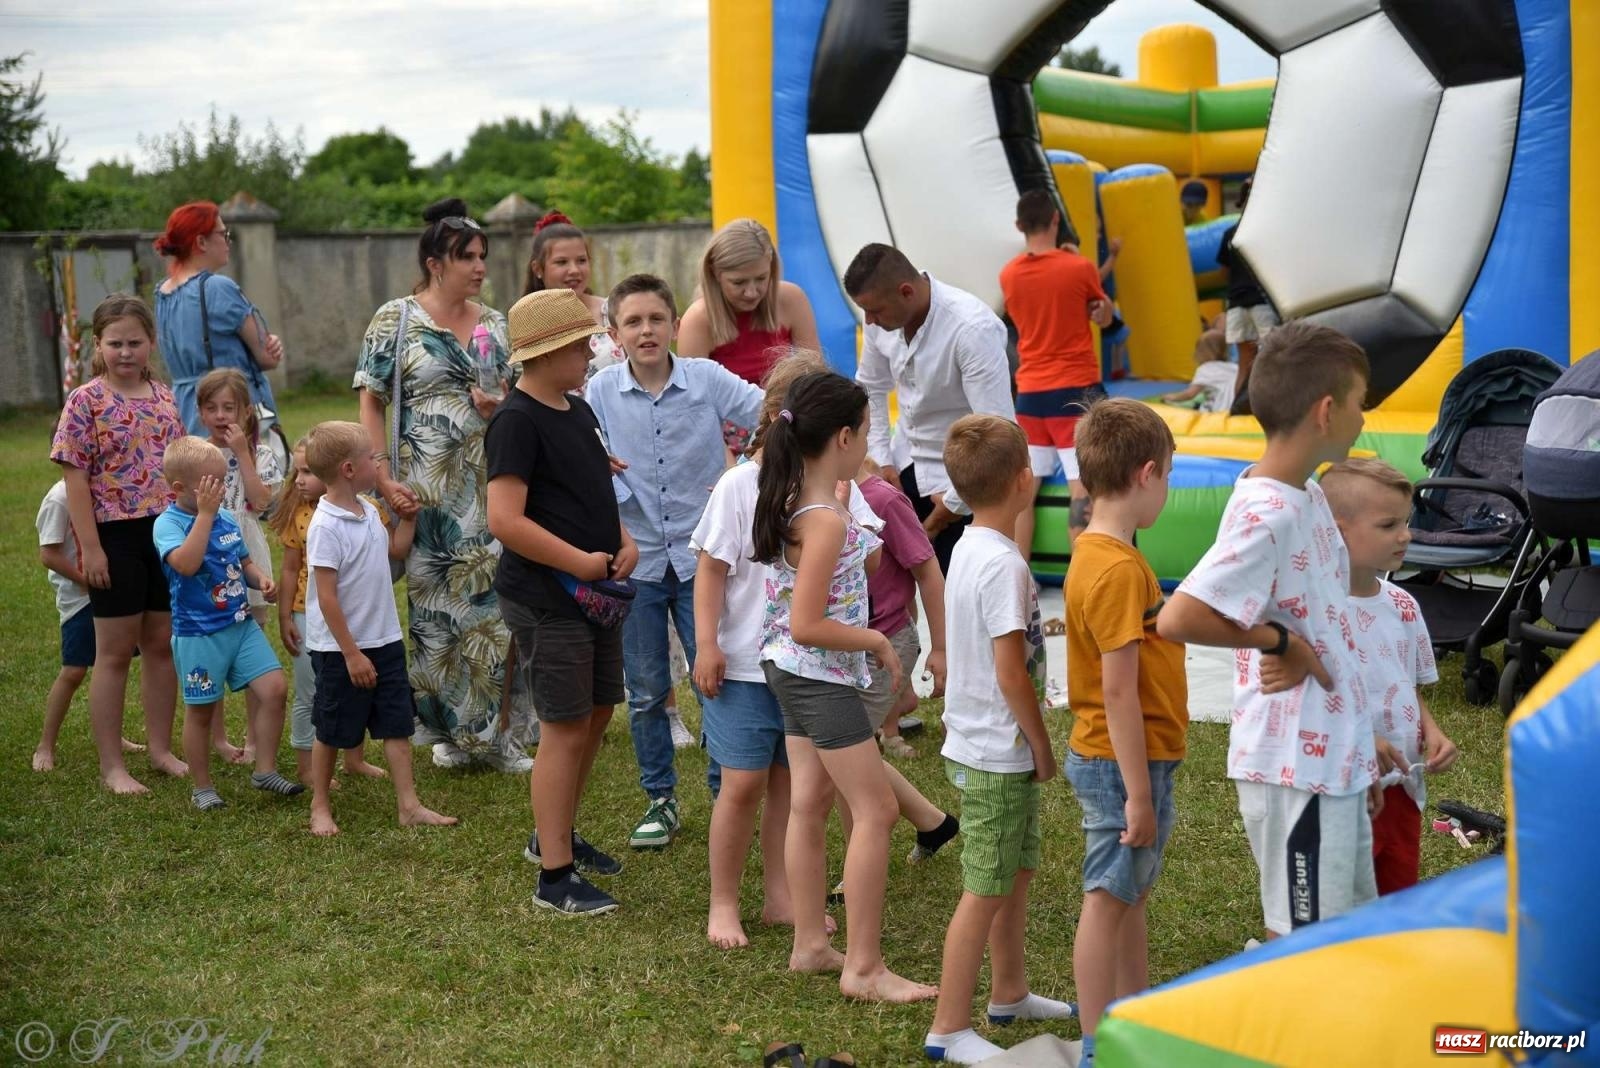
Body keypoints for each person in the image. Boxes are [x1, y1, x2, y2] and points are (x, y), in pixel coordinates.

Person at [1157, 321, 1381, 939]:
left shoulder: (1303, 492)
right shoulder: (1268, 511)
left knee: (1349, 927)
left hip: (1330, 758)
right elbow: (1181, 615)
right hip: (1293, 765)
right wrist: (1280, 643)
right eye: (1360, 404)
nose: (1364, 419)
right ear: (1327, 410)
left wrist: (1360, 754)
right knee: (1307, 938)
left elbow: (1321, 614)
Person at [753, 370, 937, 1004]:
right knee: (878, 810)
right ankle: (864, 967)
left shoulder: (801, 499)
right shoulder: (823, 517)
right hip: (816, 674)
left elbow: (846, 576)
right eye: (865, 429)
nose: (869, 441)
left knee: (810, 801)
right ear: (843, 436)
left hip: (791, 668)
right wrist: (878, 641)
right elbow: (810, 621)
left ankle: (810, 944)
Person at [693, 349, 879, 949]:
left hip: (790, 666)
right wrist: (706, 645)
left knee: (793, 791)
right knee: (742, 785)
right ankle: (724, 901)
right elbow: (712, 568)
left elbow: (865, 552)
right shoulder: (745, 486)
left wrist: (849, 515)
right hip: (760, 663)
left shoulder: (825, 493)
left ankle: (783, 898)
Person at [585, 274, 762, 849]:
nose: (646, 331)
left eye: (656, 319)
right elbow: (591, 466)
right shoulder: (599, 392)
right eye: (633, 322)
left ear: (675, 326)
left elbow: (772, 412)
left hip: (703, 560)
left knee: (717, 677)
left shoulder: (707, 379)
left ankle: (722, 793)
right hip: (634, 561)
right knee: (644, 689)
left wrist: (744, 474)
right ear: (614, 333)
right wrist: (618, 515)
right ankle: (659, 799)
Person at [356, 197, 530, 773]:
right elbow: (371, 399)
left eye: (482, 255)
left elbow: (522, 400)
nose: (479, 267)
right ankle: (447, 732)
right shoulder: (395, 319)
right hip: (421, 494)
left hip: (492, 485)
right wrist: (381, 475)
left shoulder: (498, 323)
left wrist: (498, 404)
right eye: (466, 257)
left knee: (493, 612)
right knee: (434, 618)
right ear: (435, 262)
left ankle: (499, 735)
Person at [922, 414, 1072, 1064]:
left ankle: (1008, 992)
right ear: (1022, 480)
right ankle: (949, 1027)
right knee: (985, 886)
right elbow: (1012, 671)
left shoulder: (970, 549)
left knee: (1017, 869)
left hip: (986, 745)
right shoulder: (1004, 567)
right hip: (997, 753)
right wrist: (1040, 745)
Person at [487, 288, 640, 916]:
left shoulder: (575, 408)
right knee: (564, 727)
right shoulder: (516, 420)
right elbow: (504, 519)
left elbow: (593, 486)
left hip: (593, 591)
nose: (590, 354)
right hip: (550, 596)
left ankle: (554, 833)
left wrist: (622, 538)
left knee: (597, 711)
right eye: (581, 345)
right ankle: (555, 877)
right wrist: (578, 561)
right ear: (547, 352)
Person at [1062, 400, 1186, 1067]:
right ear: (1146, 475)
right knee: (1108, 897)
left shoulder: (1101, 553)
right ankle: (1095, 1043)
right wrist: (1137, 793)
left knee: (1130, 892)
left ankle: (1133, 1016)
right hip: (1121, 764)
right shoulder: (1116, 570)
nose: (1166, 489)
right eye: (1167, 476)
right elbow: (1117, 690)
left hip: (1130, 759)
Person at [50, 294, 187, 795]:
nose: (125, 352)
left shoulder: (165, 396)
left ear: (151, 343)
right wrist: (92, 548)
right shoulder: (85, 401)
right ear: (98, 345)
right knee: (111, 654)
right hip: (114, 536)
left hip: (164, 534)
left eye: (134, 342)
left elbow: (179, 468)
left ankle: (160, 749)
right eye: (115, 343)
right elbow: (75, 479)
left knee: (160, 646)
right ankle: (112, 765)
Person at [302, 421, 454, 837]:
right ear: (350, 469)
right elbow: (327, 597)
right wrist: (351, 653)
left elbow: (394, 552)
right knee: (331, 728)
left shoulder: (369, 508)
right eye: (372, 457)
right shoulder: (325, 526)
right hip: (339, 650)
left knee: (396, 722)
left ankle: (409, 805)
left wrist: (407, 519)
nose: (378, 464)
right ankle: (320, 804)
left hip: (385, 639)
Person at [1319, 459, 1459, 894]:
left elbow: (1404, 684)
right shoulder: (1316, 611)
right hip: (1340, 789)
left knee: (1397, 896)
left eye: (1406, 521)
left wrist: (1432, 731)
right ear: (1339, 531)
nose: (1406, 534)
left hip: (1402, 787)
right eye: (1388, 525)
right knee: (1341, 900)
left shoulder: (1403, 605)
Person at [846, 243, 1015, 573]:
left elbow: (998, 435)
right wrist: (881, 458)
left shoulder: (971, 328)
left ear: (906, 292)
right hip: (904, 465)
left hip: (967, 482)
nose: (869, 320)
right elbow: (870, 386)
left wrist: (949, 508)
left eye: (875, 311)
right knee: (893, 596)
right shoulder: (879, 317)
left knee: (961, 600)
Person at [154, 436, 301, 810]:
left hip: (240, 625)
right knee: (201, 711)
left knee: (274, 688)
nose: (221, 489)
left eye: (222, 480)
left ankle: (264, 770)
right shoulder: (167, 524)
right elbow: (185, 565)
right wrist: (204, 516)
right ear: (180, 488)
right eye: (212, 483)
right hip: (200, 635)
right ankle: (202, 787)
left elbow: (243, 561)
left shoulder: (224, 517)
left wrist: (259, 580)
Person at [1000, 190, 1115, 555]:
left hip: (1031, 392)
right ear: (1055, 221)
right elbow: (1103, 313)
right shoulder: (1078, 267)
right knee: (1083, 489)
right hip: (1075, 390)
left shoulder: (1009, 275)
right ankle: (1083, 587)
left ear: (1019, 226)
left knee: (1023, 493)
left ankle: (1019, 583)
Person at [271, 438, 391, 786]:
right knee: (315, 691)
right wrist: (284, 617)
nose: (299, 480)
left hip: (353, 615)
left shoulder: (363, 509)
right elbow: (291, 570)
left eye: (308, 471)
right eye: (297, 472)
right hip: (309, 617)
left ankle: (354, 759)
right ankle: (307, 766)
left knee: (356, 688)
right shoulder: (302, 517)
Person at [195, 368, 284, 762]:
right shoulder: (194, 453)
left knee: (252, 649)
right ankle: (216, 737)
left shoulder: (262, 454)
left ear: (247, 411)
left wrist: (244, 454)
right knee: (211, 651)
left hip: (246, 549)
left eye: (229, 407)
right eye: (211, 407)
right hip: (207, 554)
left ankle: (252, 739)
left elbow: (262, 502)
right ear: (199, 412)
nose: (220, 415)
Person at [34, 480, 145, 772]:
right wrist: (86, 581)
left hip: (109, 592)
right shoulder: (59, 498)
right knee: (74, 671)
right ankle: (45, 745)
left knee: (113, 666)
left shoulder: (105, 490)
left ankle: (113, 736)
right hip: (79, 600)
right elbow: (48, 554)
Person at [152, 201, 285, 439]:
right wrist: (271, 346)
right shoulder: (217, 287)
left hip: (187, 410)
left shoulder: (163, 292)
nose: (228, 241)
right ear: (201, 242)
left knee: (199, 474)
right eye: (223, 234)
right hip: (230, 409)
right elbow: (266, 357)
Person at [677, 218, 820, 386]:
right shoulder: (697, 320)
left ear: (771, 268)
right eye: (739, 282)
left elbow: (815, 374)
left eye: (761, 278)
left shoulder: (791, 299)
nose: (751, 292)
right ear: (714, 273)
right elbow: (694, 400)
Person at [522, 209, 623, 383]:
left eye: (581, 260)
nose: (575, 270)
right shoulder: (528, 323)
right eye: (562, 262)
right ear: (538, 269)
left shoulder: (612, 311)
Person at [1216, 178, 1279, 414]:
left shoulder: (1230, 233)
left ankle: (1237, 408)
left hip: (1236, 304)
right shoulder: (1266, 233)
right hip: (1261, 302)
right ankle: (1268, 408)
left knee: (1244, 362)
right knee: (1271, 358)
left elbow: (1223, 271)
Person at [1159, 327, 1237, 413]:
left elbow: (1190, 394)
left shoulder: (1205, 369)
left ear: (1201, 353)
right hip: (1235, 407)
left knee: (1197, 406)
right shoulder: (1233, 367)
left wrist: (1171, 397)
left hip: (1218, 410)